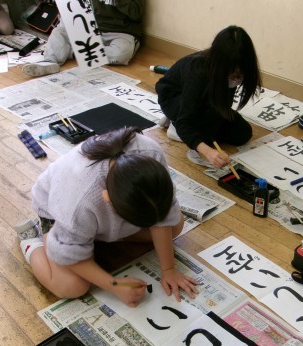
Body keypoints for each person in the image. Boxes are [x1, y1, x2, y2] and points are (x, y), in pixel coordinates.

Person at [15, 126, 199, 307]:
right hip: (56, 213)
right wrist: (114, 285)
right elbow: (66, 253)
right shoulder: (80, 201)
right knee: (70, 287)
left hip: (93, 219)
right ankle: (32, 241)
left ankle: (95, 238)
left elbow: (163, 218)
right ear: (107, 199)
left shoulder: (151, 154)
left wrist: (168, 270)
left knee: (175, 225)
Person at [155, 25, 262, 169]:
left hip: (208, 100)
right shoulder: (197, 73)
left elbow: (224, 104)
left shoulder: (235, 69)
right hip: (174, 98)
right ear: (220, 64)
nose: (236, 78)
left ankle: (195, 127)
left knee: (242, 133)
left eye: (239, 74)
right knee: (200, 131)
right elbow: (186, 122)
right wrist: (208, 152)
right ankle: (175, 124)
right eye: (232, 74)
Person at [23, 0, 144, 78]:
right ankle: (50, 61)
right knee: (61, 30)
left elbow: (136, 13)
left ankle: (75, 51)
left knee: (122, 52)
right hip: (91, 27)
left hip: (120, 31)